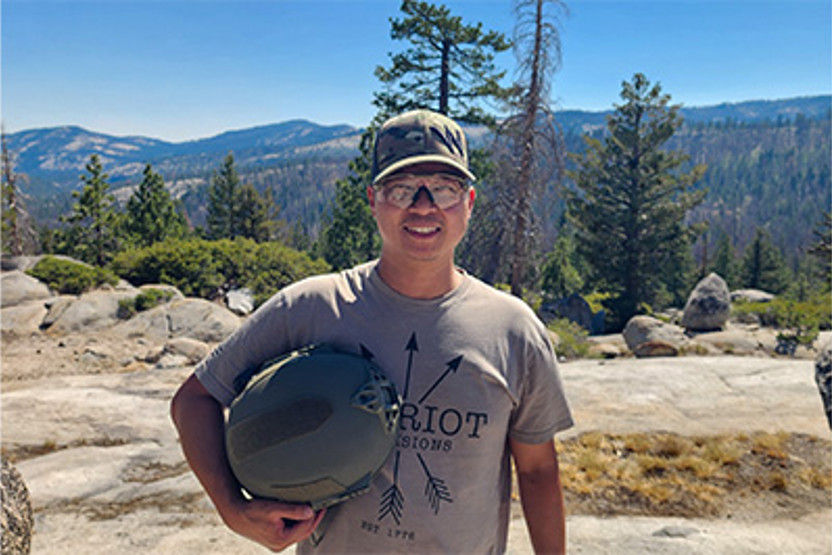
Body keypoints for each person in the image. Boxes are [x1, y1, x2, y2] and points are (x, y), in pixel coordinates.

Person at [171, 109, 573, 554]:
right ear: (373, 200)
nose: (423, 205)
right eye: (401, 189)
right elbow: (195, 398)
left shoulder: (512, 330)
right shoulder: (311, 308)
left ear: (469, 201)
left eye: (443, 189)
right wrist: (232, 508)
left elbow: (537, 471)